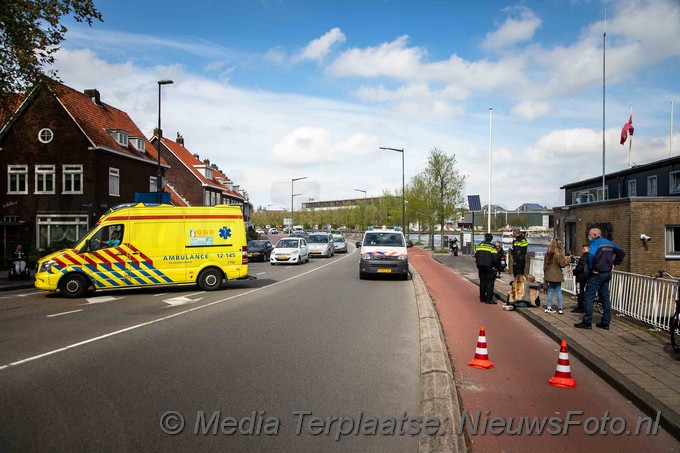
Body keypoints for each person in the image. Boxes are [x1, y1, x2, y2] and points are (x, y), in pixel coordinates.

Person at [574, 227, 625, 330]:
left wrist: (592, 268)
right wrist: (614, 263)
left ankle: (587, 321)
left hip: (597, 274)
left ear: (595, 235)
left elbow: (591, 256)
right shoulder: (609, 243)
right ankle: (606, 322)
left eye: (590, 235)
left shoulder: (594, 244)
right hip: (607, 273)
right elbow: (621, 252)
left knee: (589, 296)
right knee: (605, 298)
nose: (589, 237)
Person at [543, 239, 570, 314]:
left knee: (551, 290)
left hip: (549, 274)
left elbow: (544, 264)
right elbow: (562, 264)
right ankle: (560, 308)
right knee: (558, 291)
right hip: (557, 274)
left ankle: (548, 307)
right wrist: (568, 260)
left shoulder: (548, 253)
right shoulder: (559, 253)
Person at [475, 233, 500, 305]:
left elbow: (476, 255)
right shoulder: (492, 246)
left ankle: (482, 298)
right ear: (491, 239)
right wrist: (496, 267)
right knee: (490, 283)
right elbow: (495, 258)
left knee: (482, 282)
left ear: (485, 238)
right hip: (489, 267)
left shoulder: (480, 245)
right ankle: (489, 299)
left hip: (480, 266)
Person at [571, 244, 590, 313]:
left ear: (588, 249)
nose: (582, 250)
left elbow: (580, 268)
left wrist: (573, 271)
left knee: (579, 291)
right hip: (587, 276)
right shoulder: (591, 256)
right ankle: (585, 306)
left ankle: (581, 307)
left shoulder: (584, 257)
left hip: (581, 277)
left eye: (584, 249)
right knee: (585, 291)